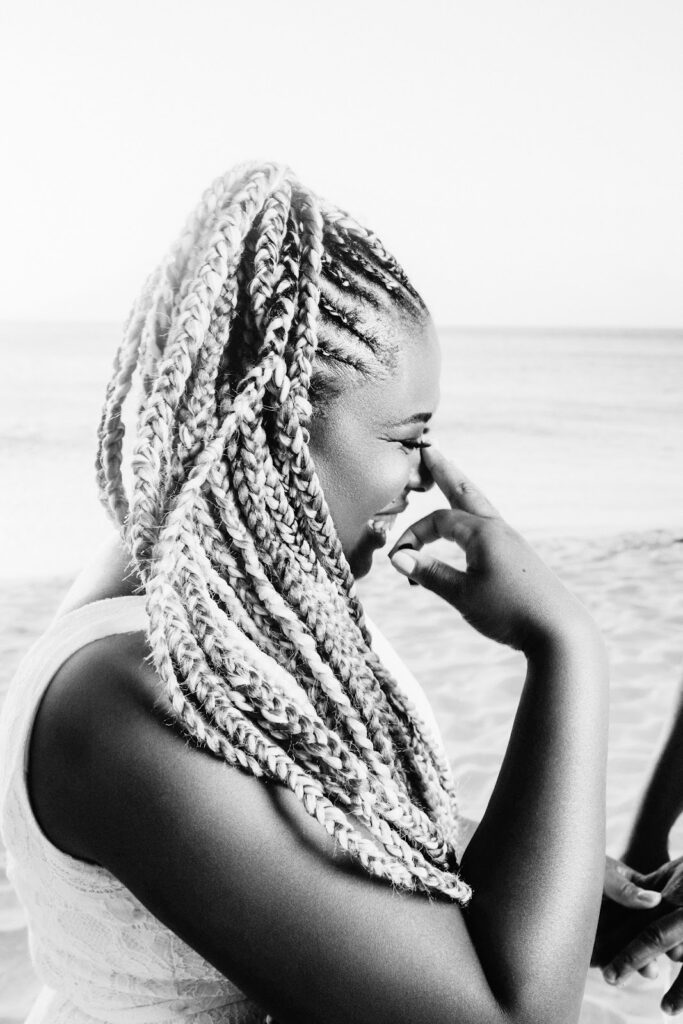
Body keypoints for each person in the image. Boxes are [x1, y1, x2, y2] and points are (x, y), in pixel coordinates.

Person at [0, 162, 612, 1024]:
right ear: (274, 428)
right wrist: (564, 647)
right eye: (408, 436)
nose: (421, 477)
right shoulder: (130, 694)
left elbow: (330, 836)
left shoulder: (221, 611)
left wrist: (575, 885)